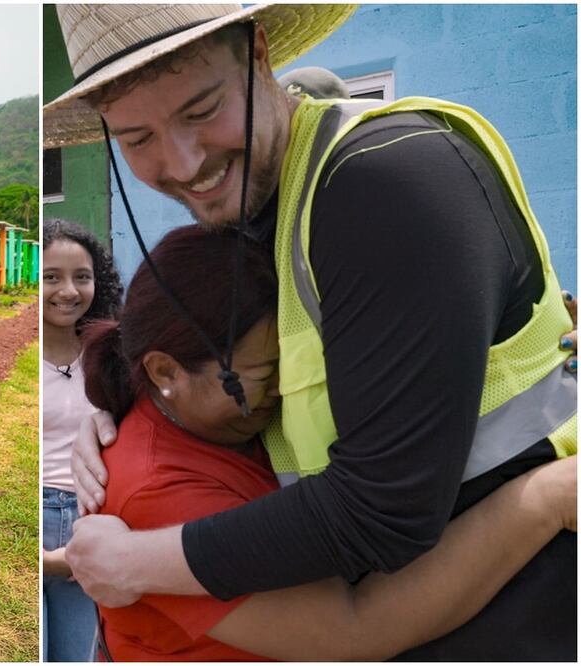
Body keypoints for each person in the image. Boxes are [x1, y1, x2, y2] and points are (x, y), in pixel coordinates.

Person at [43, 5, 578, 659]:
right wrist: (121, 416)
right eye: (135, 138)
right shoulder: (254, 211)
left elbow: (382, 512)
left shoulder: (384, 183)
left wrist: (136, 561)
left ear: (260, 53)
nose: (181, 164)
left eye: (202, 109)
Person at [79, 223, 576, 661]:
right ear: (165, 371)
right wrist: (547, 501)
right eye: (266, 373)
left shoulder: (221, 418)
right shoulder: (155, 491)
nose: (285, 388)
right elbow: (352, 631)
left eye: (297, 365)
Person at [42, 219, 123, 661]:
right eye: (51, 277)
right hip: (38, 513)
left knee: (77, 654)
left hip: (89, 518)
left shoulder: (111, 355)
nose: (68, 291)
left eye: (82, 277)